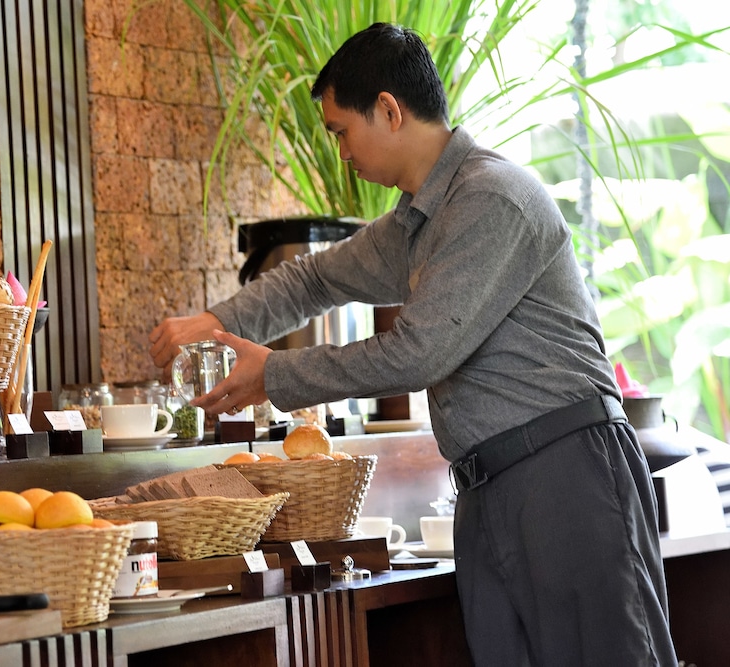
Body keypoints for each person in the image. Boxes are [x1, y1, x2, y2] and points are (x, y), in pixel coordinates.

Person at [149, 22, 677, 666]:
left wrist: (276, 374)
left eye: (342, 131)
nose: (341, 152)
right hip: (486, 487)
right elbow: (315, 278)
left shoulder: (491, 197)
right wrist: (213, 321)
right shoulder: (418, 221)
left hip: (564, 475)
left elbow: (422, 352)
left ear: (389, 110)